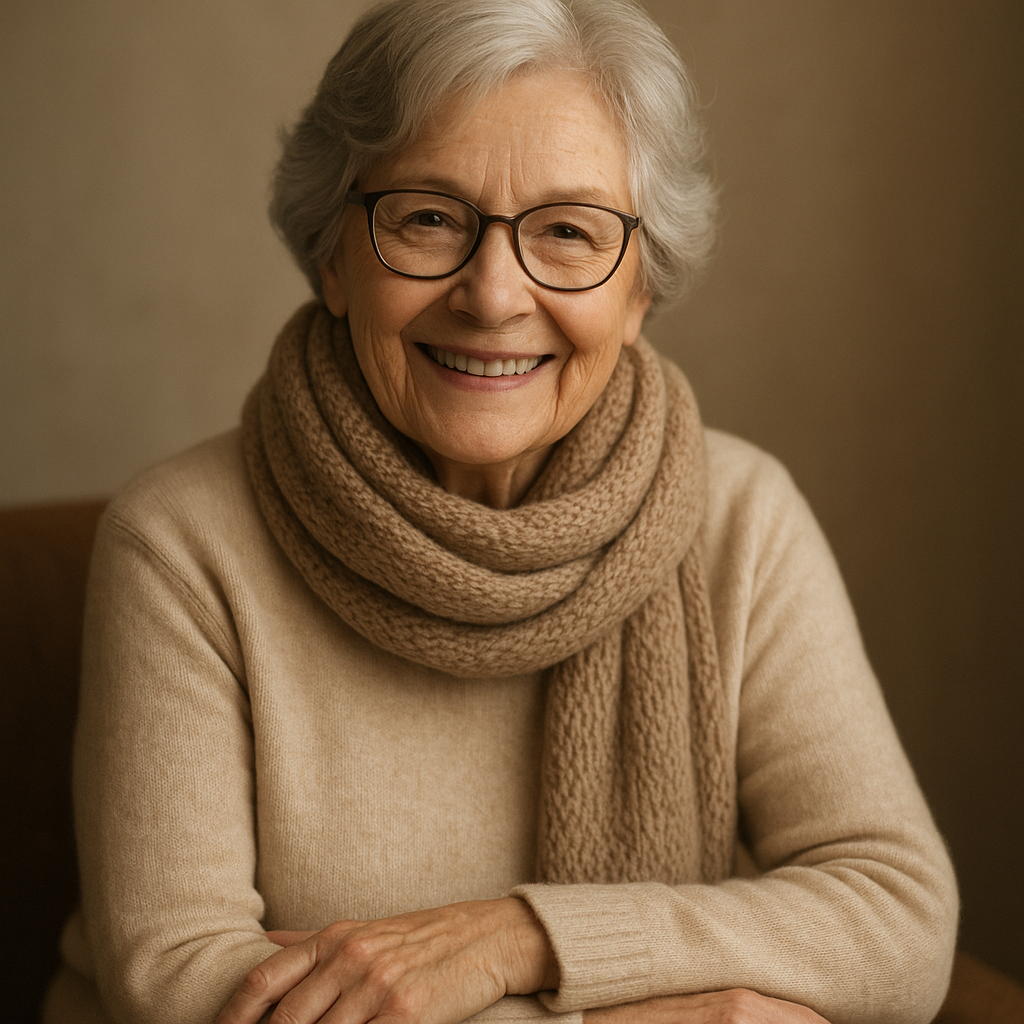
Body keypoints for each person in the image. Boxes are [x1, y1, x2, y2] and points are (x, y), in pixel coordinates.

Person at [44, 1, 958, 1022]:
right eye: (428, 216)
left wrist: (519, 939)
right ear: (334, 256)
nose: (492, 294)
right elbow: (191, 992)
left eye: (568, 231)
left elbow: (898, 918)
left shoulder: (739, 516)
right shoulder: (180, 541)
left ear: (639, 288)